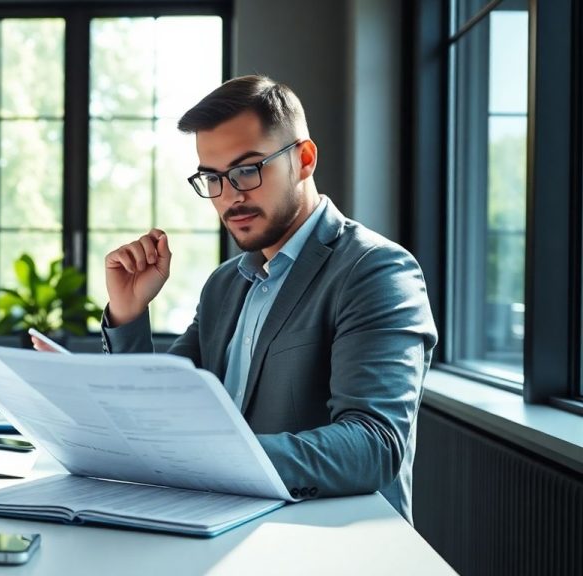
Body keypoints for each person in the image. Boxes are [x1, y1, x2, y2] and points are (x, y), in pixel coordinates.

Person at [69, 75, 436, 522]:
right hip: (225, 527)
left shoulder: (375, 270)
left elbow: (374, 445)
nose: (230, 196)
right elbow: (156, 413)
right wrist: (128, 313)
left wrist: (220, 462)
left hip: (326, 543)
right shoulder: (225, 284)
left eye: (248, 169)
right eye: (213, 178)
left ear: (303, 159)